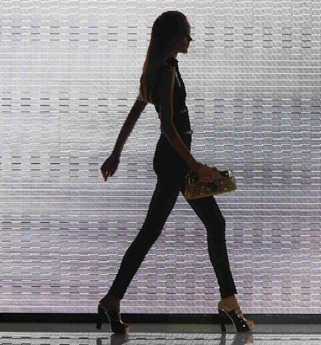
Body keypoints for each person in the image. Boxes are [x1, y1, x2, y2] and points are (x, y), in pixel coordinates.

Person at [96, 11, 254, 334]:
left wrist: (117, 151)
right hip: (174, 164)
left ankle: (113, 299)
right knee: (210, 223)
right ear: (173, 38)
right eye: (186, 34)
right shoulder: (166, 72)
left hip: (172, 162)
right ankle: (229, 302)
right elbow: (168, 127)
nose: (190, 39)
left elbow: (137, 110)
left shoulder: (162, 68)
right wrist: (196, 166)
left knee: (157, 231)